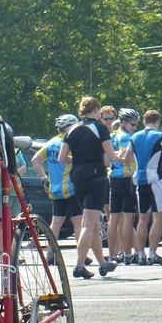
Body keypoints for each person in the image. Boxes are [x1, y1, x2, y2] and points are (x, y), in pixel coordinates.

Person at [59, 96, 120, 279]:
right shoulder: (100, 128)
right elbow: (111, 156)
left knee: (91, 224)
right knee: (88, 224)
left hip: (78, 177)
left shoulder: (71, 130)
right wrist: (124, 157)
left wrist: (79, 160)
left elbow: (62, 158)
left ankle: (103, 263)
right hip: (96, 177)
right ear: (96, 110)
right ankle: (79, 265)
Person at [124, 110, 162, 265]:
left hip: (140, 181)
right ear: (158, 121)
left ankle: (140, 254)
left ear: (144, 121)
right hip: (156, 179)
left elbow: (127, 159)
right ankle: (152, 254)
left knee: (142, 218)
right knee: (158, 218)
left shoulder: (134, 137)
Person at [31, 114, 83, 264]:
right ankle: (82, 254)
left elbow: (35, 160)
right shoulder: (70, 143)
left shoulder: (51, 143)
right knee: (78, 223)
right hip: (71, 187)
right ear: (68, 128)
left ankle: (50, 254)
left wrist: (44, 178)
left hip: (55, 189)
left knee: (56, 223)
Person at [107, 108, 139, 264]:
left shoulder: (112, 136)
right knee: (128, 219)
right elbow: (127, 158)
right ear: (124, 123)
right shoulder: (126, 137)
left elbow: (107, 159)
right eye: (132, 124)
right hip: (127, 179)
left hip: (114, 179)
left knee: (113, 219)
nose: (135, 128)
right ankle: (127, 253)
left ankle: (112, 254)